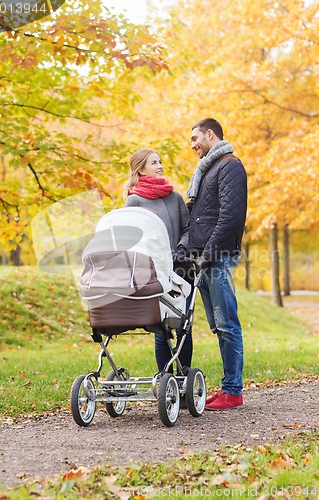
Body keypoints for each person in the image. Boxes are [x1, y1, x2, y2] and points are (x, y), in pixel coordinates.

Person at [187, 118, 247, 410]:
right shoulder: (209, 169)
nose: (193, 145)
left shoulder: (229, 166)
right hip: (206, 257)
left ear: (211, 134)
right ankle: (228, 387)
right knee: (218, 326)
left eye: (195, 137)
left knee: (227, 324)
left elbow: (231, 217)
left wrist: (208, 252)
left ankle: (233, 391)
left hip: (218, 256)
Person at [124, 148, 193, 373]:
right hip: (153, 272)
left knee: (183, 326)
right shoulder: (134, 201)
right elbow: (130, 238)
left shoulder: (174, 197)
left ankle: (184, 381)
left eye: (160, 161)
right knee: (161, 329)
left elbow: (188, 228)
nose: (160, 165)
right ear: (141, 169)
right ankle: (166, 381)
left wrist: (182, 248)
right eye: (154, 163)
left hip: (181, 269)